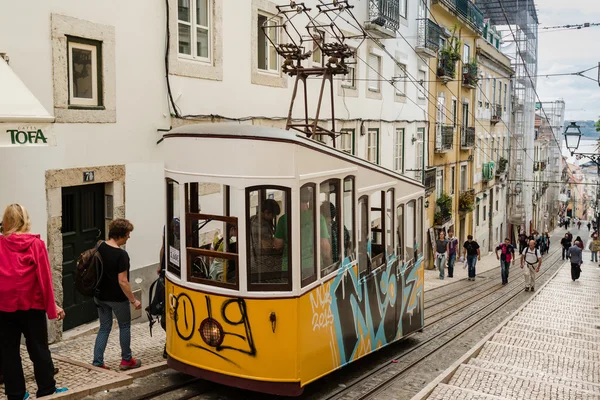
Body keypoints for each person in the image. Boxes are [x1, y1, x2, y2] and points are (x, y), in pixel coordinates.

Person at [0, 204, 68, 399]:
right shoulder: (35, 245)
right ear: (25, 220)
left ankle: (16, 394)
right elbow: (44, 279)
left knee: (9, 352)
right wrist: (52, 308)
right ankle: (47, 389)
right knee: (39, 349)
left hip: (4, 307)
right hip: (32, 305)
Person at [92, 218, 142, 371]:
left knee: (104, 327)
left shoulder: (100, 246)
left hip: (99, 296)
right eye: (127, 234)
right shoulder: (121, 255)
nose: (129, 237)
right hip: (117, 298)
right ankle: (127, 360)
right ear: (121, 235)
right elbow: (122, 281)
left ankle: (97, 361)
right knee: (125, 326)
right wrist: (133, 300)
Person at [274, 188, 330, 277]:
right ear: (308, 199)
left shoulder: (283, 219)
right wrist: (329, 263)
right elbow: (324, 245)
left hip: (289, 265)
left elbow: (278, 245)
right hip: (312, 265)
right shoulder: (318, 218)